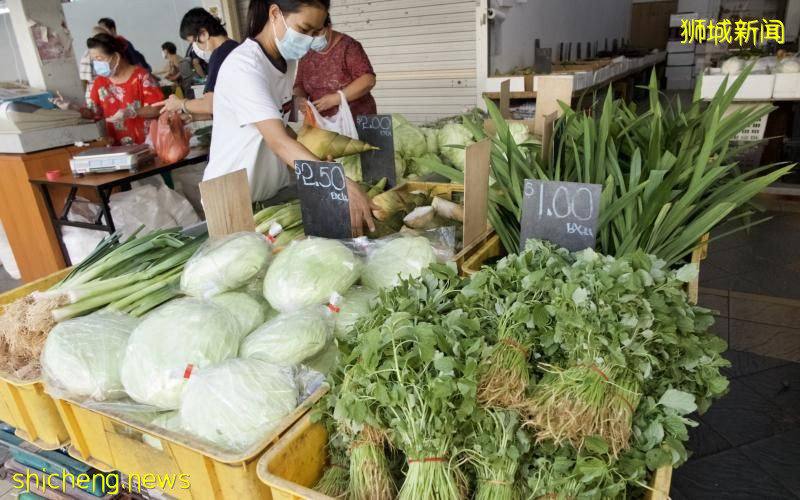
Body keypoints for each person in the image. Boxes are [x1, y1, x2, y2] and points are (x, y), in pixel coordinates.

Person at [205, 0, 374, 235]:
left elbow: (283, 126)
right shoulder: (244, 67)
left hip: (269, 194)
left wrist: (318, 161)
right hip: (232, 200)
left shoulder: (287, 60)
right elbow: (278, 141)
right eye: (304, 30)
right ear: (275, 13)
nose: (309, 40)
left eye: (316, 32)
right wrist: (339, 182)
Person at [54, 34, 164, 146]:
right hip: (117, 147)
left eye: (99, 59)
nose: (97, 64)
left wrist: (132, 112)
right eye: (94, 60)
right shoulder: (100, 82)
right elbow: (94, 113)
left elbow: (157, 108)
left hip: (148, 144)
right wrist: (72, 108)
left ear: (116, 56)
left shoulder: (141, 76)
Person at [155, 8, 238, 118]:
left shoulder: (219, 54)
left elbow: (209, 105)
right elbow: (225, 106)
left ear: (203, 34)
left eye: (193, 42)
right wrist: (193, 117)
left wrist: (180, 104)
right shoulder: (234, 46)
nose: (194, 47)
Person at [294, 15, 377, 117]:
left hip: (356, 120)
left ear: (329, 26)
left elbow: (368, 80)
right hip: (321, 122)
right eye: (307, 34)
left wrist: (336, 99)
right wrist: (299, 99)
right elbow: (299, 85)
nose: (312, 38)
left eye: (316, 33)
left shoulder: (348, 47)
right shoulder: (306, 51)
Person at [78, 25, 112, 106]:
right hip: (94, 97)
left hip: (109, 95)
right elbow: (83, 80)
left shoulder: (112, 54)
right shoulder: (88, 55)